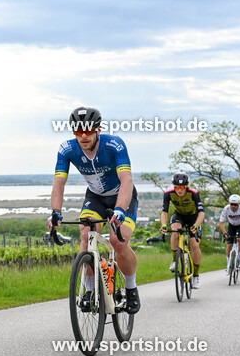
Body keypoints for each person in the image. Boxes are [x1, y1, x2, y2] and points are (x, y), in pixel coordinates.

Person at [49, 106, 141, 314]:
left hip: (122, 195)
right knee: (86, 232)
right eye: (77, 131)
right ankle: (89, 290)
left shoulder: (114, 145)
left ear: (98, 129)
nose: (83, 136)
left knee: (118, 241)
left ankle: (131, 288)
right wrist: (56, 212)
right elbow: (59, 183)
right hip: (96, 198)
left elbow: (126, 180)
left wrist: (120, 209)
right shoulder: (67, 149)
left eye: (88, 130)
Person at [159, 172, 204, 288]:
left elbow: (201, 213)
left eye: (182, 187)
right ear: (174, 187)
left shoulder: (194, 193)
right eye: (177, 187)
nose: (179, 190)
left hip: (194, 217)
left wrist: (196, 225)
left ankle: (196, 276)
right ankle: (175, 261)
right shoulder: (168, 194)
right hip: (179, 216)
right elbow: (164, 212)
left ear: (187, 186)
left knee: (194, 245)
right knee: (175, 232)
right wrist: (164, 225)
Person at [218, 195, 240, 274]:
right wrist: (225, 232)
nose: (233, 206)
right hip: (231, 225)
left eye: (235, 205)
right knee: (229, 245)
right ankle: (228, 265)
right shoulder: (226, 209)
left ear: (239, 204)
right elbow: (221, 222)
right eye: (232, 204)